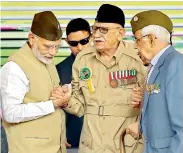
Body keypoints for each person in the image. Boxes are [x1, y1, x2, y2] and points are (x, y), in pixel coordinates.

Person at [51, 4, 145, 153]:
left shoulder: (138, 56)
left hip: (126, 146)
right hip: (92, 146)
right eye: (95, 29)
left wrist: (144, 99)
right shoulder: (83, 59)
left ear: (120, 33)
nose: (97, 35)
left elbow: (158, 96)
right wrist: (65, 99)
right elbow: (80, 106)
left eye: (104, 30)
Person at [0, 11, 69, 153]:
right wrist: (52, 104)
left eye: (57, 46)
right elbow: (11, 113)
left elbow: (43, 93)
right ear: (32, 38)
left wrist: (63, 91)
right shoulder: (15, 67)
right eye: (48, 46)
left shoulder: (45, 58)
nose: (54, 52)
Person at [128, 10, 183, 153]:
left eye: (137, 39)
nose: (135, 46)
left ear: (151, 39)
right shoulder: (156, 65)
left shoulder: (176, 64)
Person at [56, 18, 92, 148]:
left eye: (84, 41)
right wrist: (59, 133)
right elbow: (55, 106)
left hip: (103, 139)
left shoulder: (106, 64)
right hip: (73, 140)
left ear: (91, 36)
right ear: (66, 42)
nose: (80, 47)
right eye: (73, 43)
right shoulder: (60, 70)